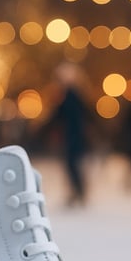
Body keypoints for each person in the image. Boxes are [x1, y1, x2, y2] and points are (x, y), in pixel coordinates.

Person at [51, 63, 90, 206]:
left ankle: (78, 193)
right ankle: (77, 193)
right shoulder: (72, 95)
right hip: (73, 136)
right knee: (72, 165)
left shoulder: (71, 96)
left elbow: (61, 116)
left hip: (73, 137)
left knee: (72, 165)